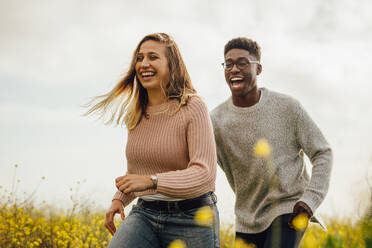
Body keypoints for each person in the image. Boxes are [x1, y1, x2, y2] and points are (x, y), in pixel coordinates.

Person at [85, 33, 219, 248]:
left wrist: (152, 181)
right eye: (139, 58)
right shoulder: (136, 114)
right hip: (145, 213)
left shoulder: (192, 107)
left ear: (171, 64)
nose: (144, 64)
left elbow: (204, 174)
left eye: (153, 57)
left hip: (192, 216)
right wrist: (119, 199)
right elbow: (136, 172)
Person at [210, 37, 333, 248]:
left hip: (289, 208)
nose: (234, 69)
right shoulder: (215, 121)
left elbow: (323, 152)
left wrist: (310, 200)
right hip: (247, 219)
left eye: (242, 63)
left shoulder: (288, 107)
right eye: (228, 64)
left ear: (258, 69)